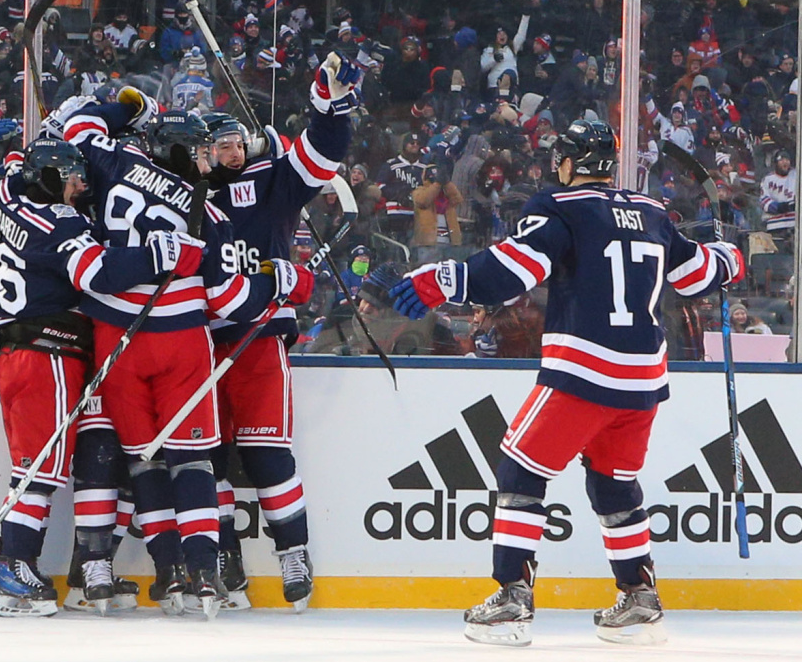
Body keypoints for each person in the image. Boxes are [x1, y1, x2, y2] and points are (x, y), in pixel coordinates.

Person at [390, 118, 744, 647]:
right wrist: (728, 254)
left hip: (583, 371)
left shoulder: (558, 206)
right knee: (614, 481)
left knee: (520, 467)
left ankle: (511, 599)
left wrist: (443, 278)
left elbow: (514, 271)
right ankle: (641, 599)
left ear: (569, 162)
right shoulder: (651, 213)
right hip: (643, 383)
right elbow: (697, 275)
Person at [56, 94, 312, 618]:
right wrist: (277, 282)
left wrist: (127, 107)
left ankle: (167, 573)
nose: (209, 159)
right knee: (191, 459)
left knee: (143, 459)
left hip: (116, 338)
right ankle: (204, 575)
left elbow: (75, 122)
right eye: (201, 149)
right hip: (181, 343)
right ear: (185, 149)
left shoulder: (117, 163)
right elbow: (230, 302)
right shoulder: (207, 211)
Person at [0, 131, 203, 617]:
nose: (80, 184)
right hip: (45, 353)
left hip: (18, 353)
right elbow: (96, 274)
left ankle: (15, 565)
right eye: (72, 176)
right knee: (39, 471)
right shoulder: (60, 225)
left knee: (33, 468)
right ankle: (11, 572)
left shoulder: (13, 195)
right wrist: (160, 255)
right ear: (49, 178)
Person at [197, 53, 355, 612]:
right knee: (208, 457)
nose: (231, 153)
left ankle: (293, 552)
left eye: (237, 143)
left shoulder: (273, 182)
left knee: (268, 455)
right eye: (219, 147)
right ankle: (223, 553)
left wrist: (327, 102)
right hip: (201, 342)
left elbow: (323, 154)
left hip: (261, 338)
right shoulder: (187, 196)